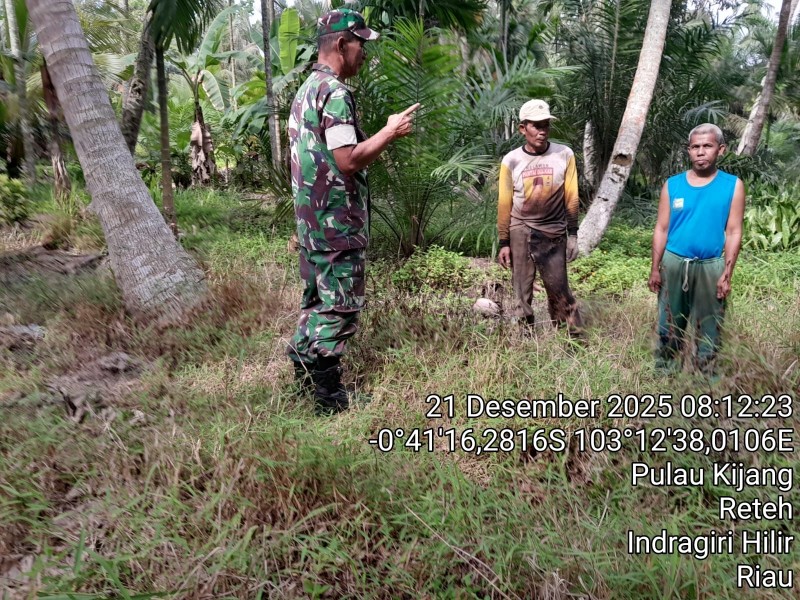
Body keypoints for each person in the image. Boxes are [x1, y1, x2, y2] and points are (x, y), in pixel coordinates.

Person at [286, 8, 420, 415]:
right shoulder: (336, 93)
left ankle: (304, 379)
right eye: (361, 44)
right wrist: (390, 131)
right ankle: (328, 398)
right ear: (342, 45)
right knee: (338, 305)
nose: (365, 52)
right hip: (335, 224)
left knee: (315, 302)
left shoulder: (307, 88)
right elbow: (348, 160)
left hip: (313, 224)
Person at [648, 123, 745, 377]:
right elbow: (661, 228)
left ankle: (706, 378)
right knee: (669, 323)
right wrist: (654, 269)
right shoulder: (673, 185)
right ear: (689, 151)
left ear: (720, 150)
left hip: (710, 265)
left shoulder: (732, 186)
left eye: (707, 146)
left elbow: (734, 231)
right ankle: (665, 372)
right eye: (695, 147)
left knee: (710, 326)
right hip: (674, 263)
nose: (701, 152)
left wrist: (727, 272)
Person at [496, 99, 583, 335]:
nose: (542, 130)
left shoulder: (564, 154)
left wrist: (573, 235)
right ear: (523, 128)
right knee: (521, 292)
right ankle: (524, 340)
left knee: (559, 290)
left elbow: (572, 196)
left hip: (553, 232)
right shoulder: (511, 160)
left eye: (545, 125)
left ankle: (572, 341)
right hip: (520, 230)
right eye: (536, 125)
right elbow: (504, 203)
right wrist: (504, 242)